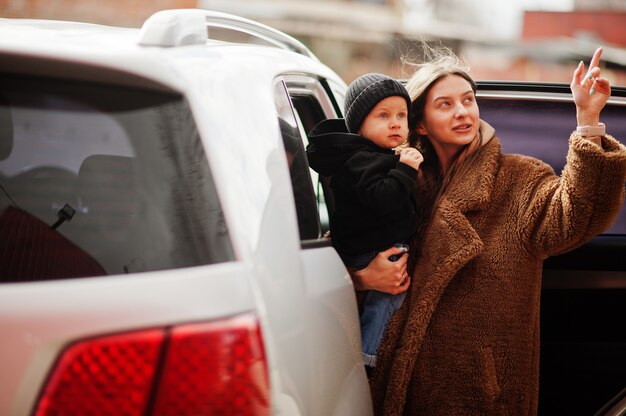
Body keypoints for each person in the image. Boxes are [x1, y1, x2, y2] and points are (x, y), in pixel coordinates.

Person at [356, 46, 626, 415]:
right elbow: (343, 243)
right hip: (392, 378)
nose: (463, 111)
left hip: (478, 392)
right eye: (445, 104)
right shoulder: (394, 182)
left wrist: (588, 119)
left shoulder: (519, 178)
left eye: (468, 100)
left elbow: (579, 214)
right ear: (420, 123)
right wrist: (362, 277)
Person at [306, 73, 423, 370]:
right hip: (375, 247)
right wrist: (406, 170)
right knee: (387, 300)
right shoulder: (362, 160)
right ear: (359, 125)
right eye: (383, 115)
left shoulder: (373, 156)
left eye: (401, 115)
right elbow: (382, 198)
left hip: (368, 243)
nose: (395, 122)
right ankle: (369, 357)